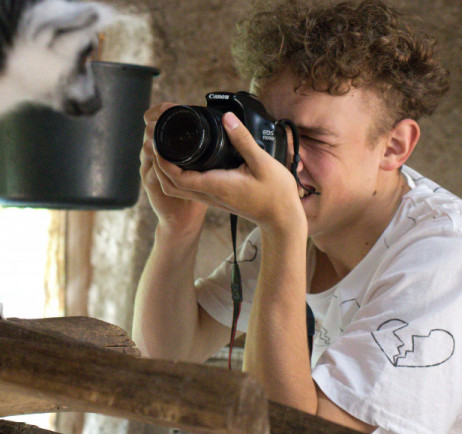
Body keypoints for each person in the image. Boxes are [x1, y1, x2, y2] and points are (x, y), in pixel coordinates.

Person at [132, 0, 458, 432]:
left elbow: (288, 429)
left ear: (394, 146)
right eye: (269, 132)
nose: (283, 159)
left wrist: (281, 228)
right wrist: (178, 226)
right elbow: (167, 356)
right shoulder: (309, 226)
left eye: (312, 138)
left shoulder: (442, 259)